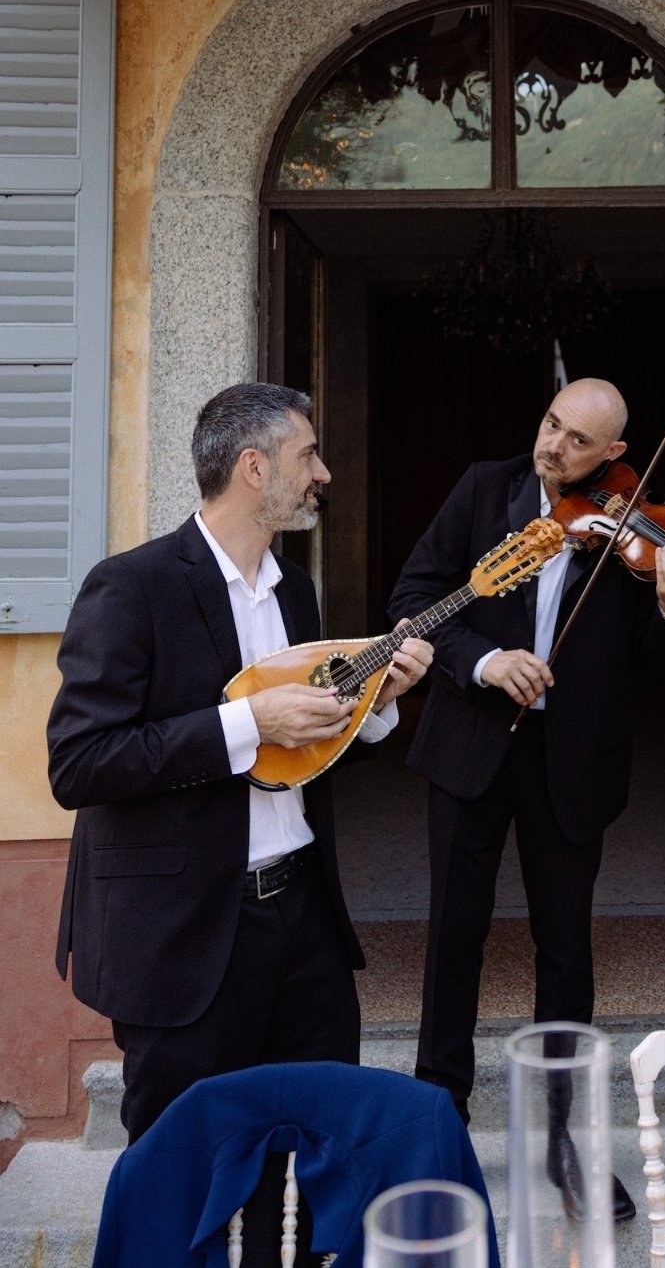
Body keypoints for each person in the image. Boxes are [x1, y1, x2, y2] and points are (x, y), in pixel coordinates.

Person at [48, 382, 433, 1142]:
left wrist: (376, 705)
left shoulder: (297, 593)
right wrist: (246, 723)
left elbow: (302, 755)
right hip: (184, 934)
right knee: (183, 1169)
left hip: (303, 918)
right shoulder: (132, 587)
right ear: (254, 468)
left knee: (317, 1150)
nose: (323, 473)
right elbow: (80, 763)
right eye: (309, 454)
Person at [387, 377, 665, 1221]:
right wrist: (487, 664)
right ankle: (437, 1130)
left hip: (573, 762)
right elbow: (413, 603)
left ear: (614, 457)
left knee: (566, 955)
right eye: (551, 426)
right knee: (454, 936)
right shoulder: (482, 489)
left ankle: (568, 1147)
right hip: (470, 748)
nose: (554, 447)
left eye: (577, 441)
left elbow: (657, 671)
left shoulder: (630, 530)